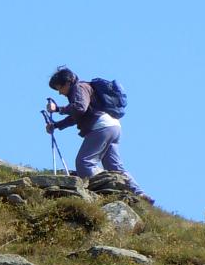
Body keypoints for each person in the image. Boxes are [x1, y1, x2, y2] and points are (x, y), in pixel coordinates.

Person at [45, 65, 148, 199]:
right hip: (113, 126)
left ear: (68, 82)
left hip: (101, 127)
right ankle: (139, 193)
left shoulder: (79, 88)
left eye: (60, 88)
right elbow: (77, 116)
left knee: (84, 162)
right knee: (114, 166)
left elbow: (80, 108)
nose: (60, 93)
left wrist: (58, 109)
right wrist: (56, 125)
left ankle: (106, 189)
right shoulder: (83, 89)